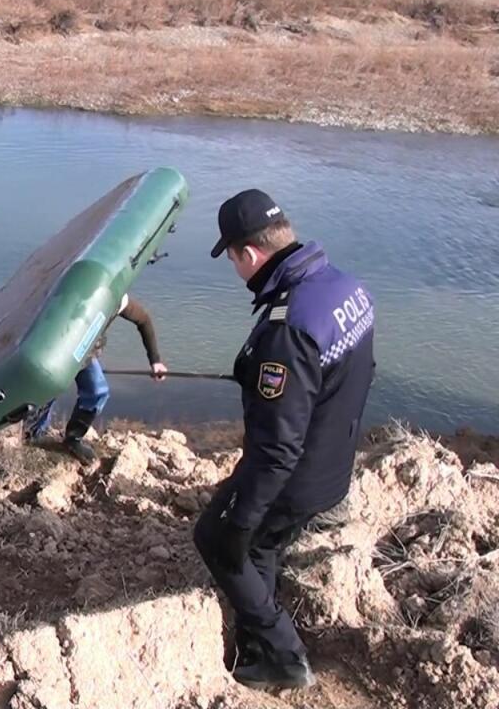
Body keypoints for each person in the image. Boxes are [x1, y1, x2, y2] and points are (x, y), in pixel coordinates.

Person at [193, 189, 375, 691]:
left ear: (248, 254)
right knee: (263, 547)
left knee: (220, 540)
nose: (236, 268)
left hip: (297, 475)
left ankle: (284, 655)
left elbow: (276, 449)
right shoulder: (344, 287)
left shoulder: (287, 327)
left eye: (232, 258)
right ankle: (255, 642)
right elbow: (354, 375)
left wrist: (240, 519)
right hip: (334, 461)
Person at [22, 294, 168, 463]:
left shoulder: (117, 298)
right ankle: (33, 435)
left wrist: (155, 360)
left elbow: (143, 320)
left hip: (86, 353)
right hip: (56, 351)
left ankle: (73, 439)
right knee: (51, 387)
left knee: (97, 392)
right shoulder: (73, 290)